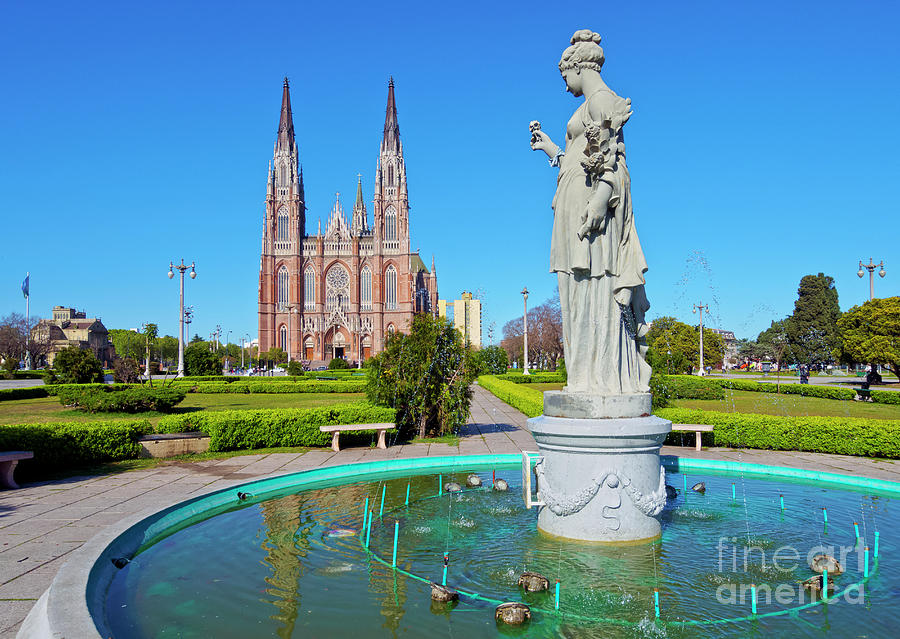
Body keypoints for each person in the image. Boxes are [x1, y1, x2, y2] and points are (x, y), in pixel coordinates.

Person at [530, 30, 651, 395]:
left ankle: (599, 379)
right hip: (575, 211)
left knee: (593, 291)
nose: (565, 86)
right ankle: (583, 377)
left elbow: (616, 162)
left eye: (564, 76)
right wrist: (551, 148)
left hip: (589, 219)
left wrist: (600, 198)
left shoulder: (601, 100)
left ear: (578, 67)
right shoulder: (588, 106)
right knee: (576, 295)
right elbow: (581, 160)